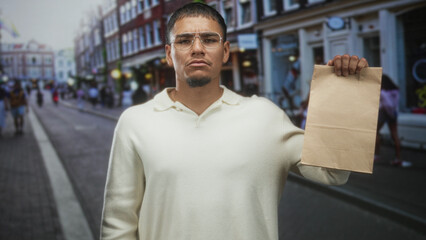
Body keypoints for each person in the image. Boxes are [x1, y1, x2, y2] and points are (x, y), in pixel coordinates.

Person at [100, 3, 369, 240]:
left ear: (225, 51)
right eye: (184, 41)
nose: (197, 49)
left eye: (209, 39)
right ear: (169, 54)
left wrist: (342, 92)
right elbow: (118, 224)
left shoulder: (265, 116)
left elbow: (333, 172)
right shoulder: (135, 122)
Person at [375, 75, 411, 167]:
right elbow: (393, 104)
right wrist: (392, 113)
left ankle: (376, 155)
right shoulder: (395, 90)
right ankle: (398, 158)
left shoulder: (382, 92)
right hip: (393, 113)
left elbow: (388, 105)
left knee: (375, 133)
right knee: (395, 135)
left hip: (384, 112)